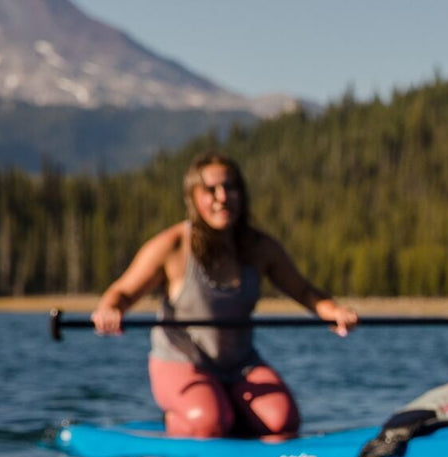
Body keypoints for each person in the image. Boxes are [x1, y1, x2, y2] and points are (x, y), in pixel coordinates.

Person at [91, 152, 356, 439]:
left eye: (231, 188)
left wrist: (333, 312)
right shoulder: (172, 246)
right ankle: (185, 420)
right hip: (181, 362)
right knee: (210, 423)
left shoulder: (260, 247)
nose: (222, 197)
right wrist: (109, 310)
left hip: (240, 365)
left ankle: (228, 411)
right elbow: (121, 293)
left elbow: (305, 291)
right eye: (210, 190)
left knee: (283, 422)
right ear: (192, 197)